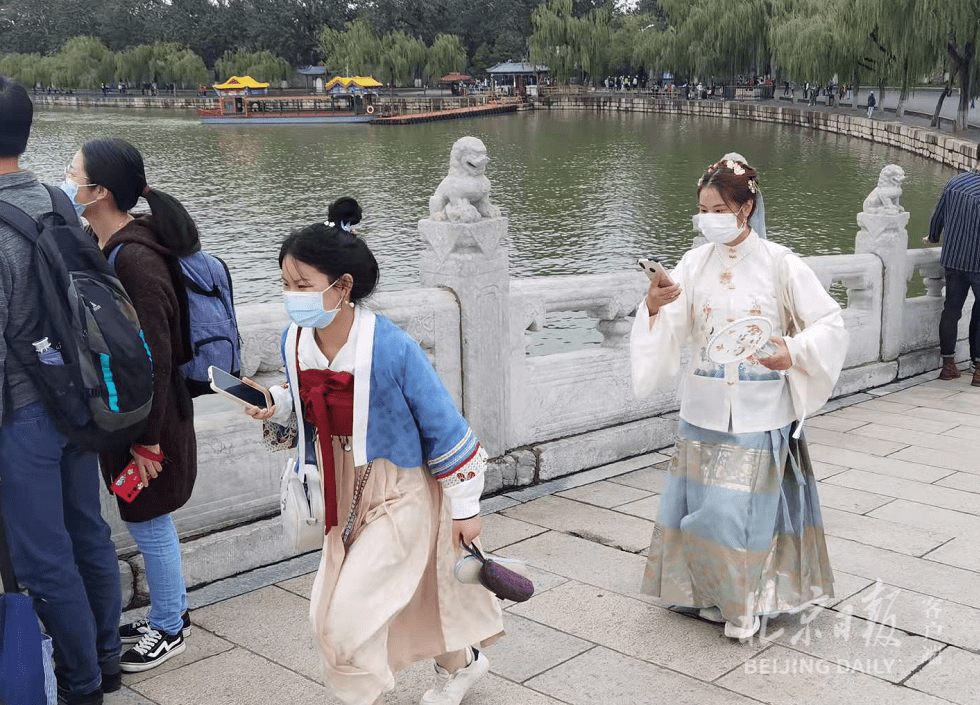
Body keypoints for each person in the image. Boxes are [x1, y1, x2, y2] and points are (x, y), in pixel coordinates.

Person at [247, 201, 503, 705]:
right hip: (340, 487)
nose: (290, 296)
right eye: (285, 284)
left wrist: (467, 509)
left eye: (302, 285)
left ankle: (363, 696)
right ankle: (464, 664)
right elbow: (306, 408)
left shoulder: (391, 347)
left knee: (346, 618)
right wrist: (274, 405)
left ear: (341, 287)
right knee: (378, 603)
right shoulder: (295, 340)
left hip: (398, 490)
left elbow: (445, 426)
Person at [631, 155, 847, 640]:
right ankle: (712, 592)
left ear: (746, 208)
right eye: (703, 210)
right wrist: (654, 305)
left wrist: (791, 350)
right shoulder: (693, 261)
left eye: (718, 209)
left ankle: (743, 602)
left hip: (759, 409)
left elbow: (830, 324)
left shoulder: (781, 263)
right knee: (705, 508)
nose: (708, 219)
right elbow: (676, 326)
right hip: (703, 406)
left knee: (738, 512)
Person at [0, 77, 123, 705]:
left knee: (44, 557)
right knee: (87, 533)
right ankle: (106, 659)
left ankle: (80, 685)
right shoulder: (54, 197)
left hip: (22, 411)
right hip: (79, 398)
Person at [61, 138, 198, 672]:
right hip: (132, 415)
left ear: (98, 192)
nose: (68, 183)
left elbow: (156, 358)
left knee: (149, 521)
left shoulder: (135, 258)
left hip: (149, 421)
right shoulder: (110, 243)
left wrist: (148, 439)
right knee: (146, 516)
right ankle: (169, 615)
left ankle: (169, 627)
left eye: (74, 175)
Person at [924, 142, 980, 386]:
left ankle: (948, 365)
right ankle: (978, 370)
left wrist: (933, 237)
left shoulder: (955, 183)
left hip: (955, 260)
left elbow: (938, 215)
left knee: (951, 310)